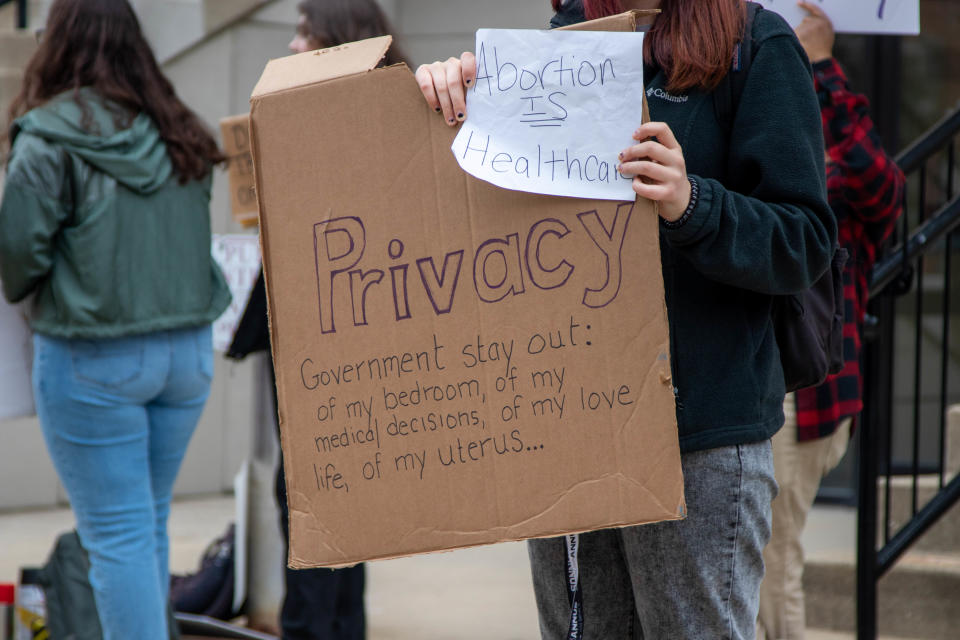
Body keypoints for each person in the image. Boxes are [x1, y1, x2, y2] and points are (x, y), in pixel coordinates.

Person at [416, 0, 836, 637]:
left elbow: (804, 241)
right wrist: (452, 95)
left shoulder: (755, 44)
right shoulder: (555, 49)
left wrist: (693, 202)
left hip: (699, 443)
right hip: (569, 428)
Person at [0, 1, 230, 638]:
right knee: (144, 523)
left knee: (119, 536)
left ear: (57, 43)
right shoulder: (180, 128)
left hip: (93, 359)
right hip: (186, 356)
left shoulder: (46, 137)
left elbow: (16, 259)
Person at [227, 2, 410, 638]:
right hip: (337, 332)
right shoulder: (375, 112)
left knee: (313, 499)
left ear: (342, 41)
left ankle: (313, 628)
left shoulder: (353, 119)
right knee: (341, 500)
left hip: (333, 339)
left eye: (307, 31)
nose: (294, 43)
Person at [757, 3, 905, 639]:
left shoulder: (833, 133)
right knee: (758, 556)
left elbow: (881, 187)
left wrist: (818, 65)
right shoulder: (753, 99)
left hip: (804, 382)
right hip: (756, 369)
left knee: (770, 557)